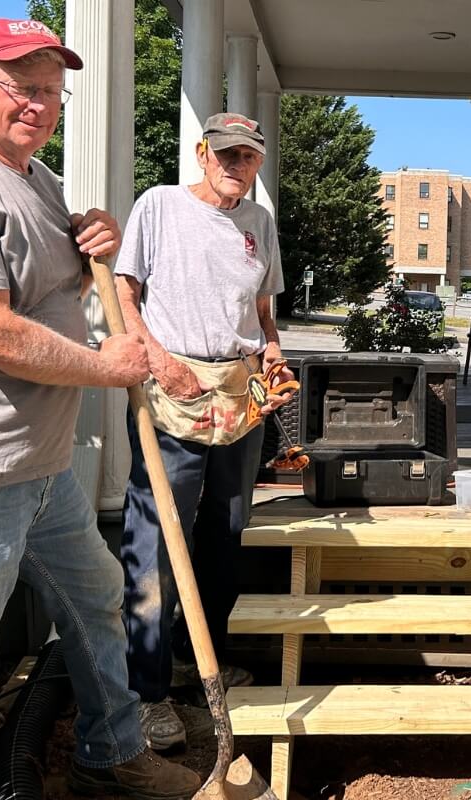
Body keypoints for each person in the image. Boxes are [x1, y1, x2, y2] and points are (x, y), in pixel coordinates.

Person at [0, 18, 201, 800]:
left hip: (42, 466)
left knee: (97, 602)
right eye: (23, 87)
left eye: (53, 90)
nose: (41, 103)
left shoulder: (37, 180)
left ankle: (111, 754)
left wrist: (97, 239)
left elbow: (61, 284)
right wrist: (105, 366)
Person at [117, 112, 289, 752]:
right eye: (223, 153)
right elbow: (124, 291)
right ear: (200, 153)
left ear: (258, 164)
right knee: (156, 540)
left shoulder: (259, 223)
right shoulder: (159, 207)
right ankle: (146, 693)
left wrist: (272, 350)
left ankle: (202, 664)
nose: (233, 164)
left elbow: (262, 308)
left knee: (225, 532)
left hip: (239, 393)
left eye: (246, 155)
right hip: (174, 389)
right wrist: (156, 358)